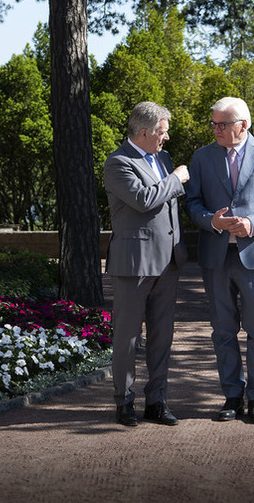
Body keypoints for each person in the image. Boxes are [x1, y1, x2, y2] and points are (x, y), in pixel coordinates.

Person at [184, 97, 254, 424]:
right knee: (223, 330)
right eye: (214, 124)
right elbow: (192, 203)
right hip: (216, 257)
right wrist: (211, 221)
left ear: (243, 125)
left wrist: (253, 224)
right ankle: (232, 395)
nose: (216, 129)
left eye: (223, 124)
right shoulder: (201, 157)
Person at [103, 101, 190, 426]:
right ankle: (123, 402)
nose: (166, 138)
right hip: (134, 263)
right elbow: (143, 200)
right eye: (162, 132)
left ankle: (157, 401)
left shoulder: (163, 158)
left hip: (168, 261)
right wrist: (177, 179)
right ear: (144, 132)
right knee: (127, 337)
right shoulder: (118, 163)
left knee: (161, 336)